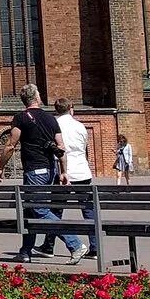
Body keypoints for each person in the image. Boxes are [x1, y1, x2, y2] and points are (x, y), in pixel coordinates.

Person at [9, 84, 82, 261]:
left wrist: (0, 167)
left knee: (39, 209)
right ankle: (25, 252)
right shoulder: (51, 119)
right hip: (50, 170)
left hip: (34, 171)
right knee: (30, 211)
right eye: (40, 93)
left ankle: (75, 243)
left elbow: (10, 145)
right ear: (36, 98)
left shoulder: (20, 118)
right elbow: (61, 148)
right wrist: (63, 171)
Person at [55, 98, 98, 259]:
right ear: (71, 109)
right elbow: (84, 145)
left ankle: (49, 246)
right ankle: (95, 247)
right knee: (88, 210)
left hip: (63, 171)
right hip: (82, 171)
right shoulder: (80, 126)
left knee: (56, 209)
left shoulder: (54, 124)